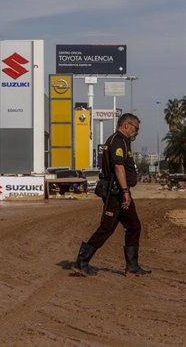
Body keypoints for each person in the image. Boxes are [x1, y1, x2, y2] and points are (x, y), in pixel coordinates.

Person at [73, 113, 151, 277]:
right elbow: (118, 167)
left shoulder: (122, 141)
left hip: (119, 192)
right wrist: (125, 192)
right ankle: (81, 262)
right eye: (136, 129)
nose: (137, 133)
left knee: (133, 226)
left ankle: (132, 266)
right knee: (107, 228)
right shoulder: (117, 141)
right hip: (116, 193)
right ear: (126, 125)